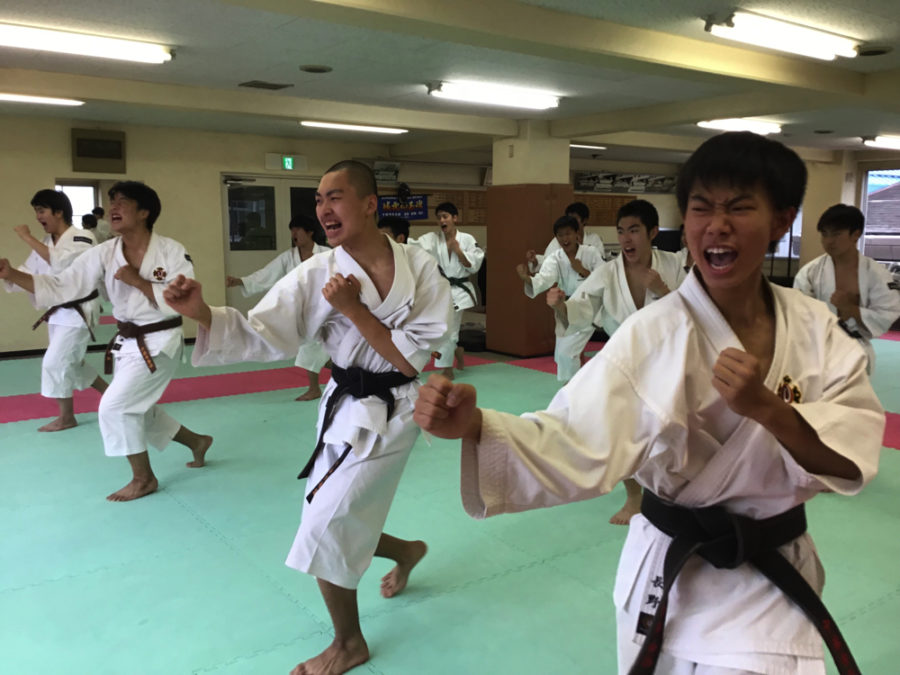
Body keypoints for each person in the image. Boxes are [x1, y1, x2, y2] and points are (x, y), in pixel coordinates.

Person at [415, 131, 884, 675]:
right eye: (701, 208)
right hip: (672, 575)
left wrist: (770, 409)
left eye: (739, 207)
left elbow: (853, 446)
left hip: (772, 573)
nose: (717, 224)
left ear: (782, 220)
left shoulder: (815, 328)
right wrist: (477, 427)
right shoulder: (651, 336)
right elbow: (574, 435)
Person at [163, 160, 451, 675]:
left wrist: (354, 308)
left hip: (398, 408)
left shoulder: (420, 267)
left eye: (335, 197)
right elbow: (262, 331)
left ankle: (349, 643)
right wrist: (203, 313)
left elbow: (411, 360)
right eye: (319, 200)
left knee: (327, 521)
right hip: (344, 407)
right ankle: (406, 550)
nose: (323, 209)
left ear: (369, 204)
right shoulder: (317, 273)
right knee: (331, 513)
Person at [0, 181, 213, 502]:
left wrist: (137, 281)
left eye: (122, 202)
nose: (113, 207)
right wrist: (11, 275)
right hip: (129, 343)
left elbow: (180, 301)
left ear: (144, 212)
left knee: (115, 406)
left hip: (162, 340)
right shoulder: (104, 253)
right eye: (111, 201)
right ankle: (197, 441)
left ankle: (143, 479)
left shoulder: (171, 250)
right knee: (136, 408)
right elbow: (61, 286)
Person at [549, 199, 685, 525]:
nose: (626, 239)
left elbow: (692, 314)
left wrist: (663, 290)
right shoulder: (607, 273)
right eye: (621, 231)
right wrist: (559, 306)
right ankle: (634, 497)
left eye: (634, 230)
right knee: (621, 432)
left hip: (668, 362)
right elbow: (580, 308)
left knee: (672, 434)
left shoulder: (674, 266)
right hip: (624, 362)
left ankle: (675, 492)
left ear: (652, 232)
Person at [4, 189, 108, 431]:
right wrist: (8, 273)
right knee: (72, 364)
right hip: (58, 311)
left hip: (81, 310)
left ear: (58, 212)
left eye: (41, 211)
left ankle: (67, 416)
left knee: (55, 362)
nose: (38, 217)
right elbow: (30, 271)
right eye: (36, 212)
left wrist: (26, 237)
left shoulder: (83, 237)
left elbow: (61, 262)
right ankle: (112, 393)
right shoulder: (47, 243)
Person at [226, 215, 331, 401]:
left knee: (316, 346)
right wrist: (241, 281)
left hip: (327, 307)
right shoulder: (288, 257)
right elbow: (267, 274)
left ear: (310, 232)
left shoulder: (326, 254)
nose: (294, 234)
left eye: (298, 229)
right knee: (314, 346)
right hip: (302, 310)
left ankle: (317, 387)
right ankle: (327, 379)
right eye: (292, 230)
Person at [793, 204, 900, 374]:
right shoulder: (810, 272)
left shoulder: (876, 274)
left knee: (853, 400)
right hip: (818, 349)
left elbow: (889, 310)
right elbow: (798, 309)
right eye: (824, 234)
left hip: (856, 349)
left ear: (855, 234)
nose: (829, 241)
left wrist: (851, 310)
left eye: (836, 234)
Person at [516, 215, 604, 381]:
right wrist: (527, 278)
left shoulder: (590, 253)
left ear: (577, 234)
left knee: (568, 351)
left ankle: (571, 386)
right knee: (562, 353)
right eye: (560, 235)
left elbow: (604, 278)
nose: (565, 238)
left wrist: (583, 270)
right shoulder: (556, 257)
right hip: (564, 306)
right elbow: (544, 278)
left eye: (568, 233)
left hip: (588, 306)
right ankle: (576, 383)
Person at [413, 201, 484, 379]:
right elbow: (412, 246)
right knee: (438, 329)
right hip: (440, 290)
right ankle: (457, 351)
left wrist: (458, 251)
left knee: (449, 330)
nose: (442, 221)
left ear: (454, 218)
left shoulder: (467, 240)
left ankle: (447, 369)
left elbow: (473, 266)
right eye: (439, 218)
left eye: (445, 217)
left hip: (459, 292)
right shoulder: (431, 239)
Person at [529, 201, 606, 271]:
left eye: (575, 219)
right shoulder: (559, 240)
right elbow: (547, 263)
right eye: (569, 218)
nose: (571, 222)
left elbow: (600, 264)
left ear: (584, 220)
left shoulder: (594, 239)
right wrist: (535, 262)